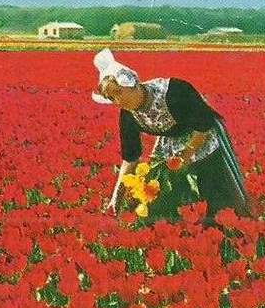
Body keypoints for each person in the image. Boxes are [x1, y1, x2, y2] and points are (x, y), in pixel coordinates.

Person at [91, 48, 247, 222]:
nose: (118, 101)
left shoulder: (174, 91)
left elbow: (203, 124)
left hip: (202, 136)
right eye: (111, 98)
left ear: (131, 83)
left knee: (215, 196)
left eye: (119, 92)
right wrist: (116, 198)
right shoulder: (128, 115)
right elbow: (130, 157)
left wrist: (186, 154)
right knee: (166, 197)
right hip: (170, 143)